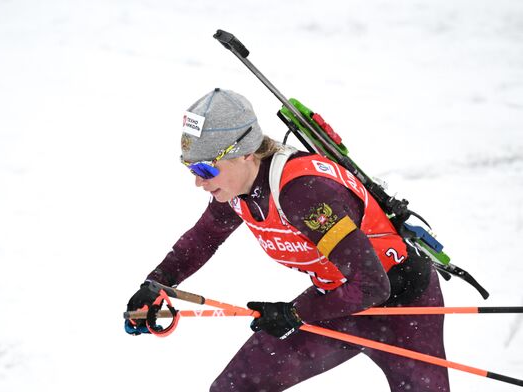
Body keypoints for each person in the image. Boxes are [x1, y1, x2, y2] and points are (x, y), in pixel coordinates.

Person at [125, 88, 450, 391]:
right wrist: (156, 283)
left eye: (206, 169)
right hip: (337, 303)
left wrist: (296, 313)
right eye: (190, 168)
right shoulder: (236, 191)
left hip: (402, 308)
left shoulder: (302, 193)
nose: (198, 182)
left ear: (245, 153)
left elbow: (372, 286)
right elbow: (203, 239)